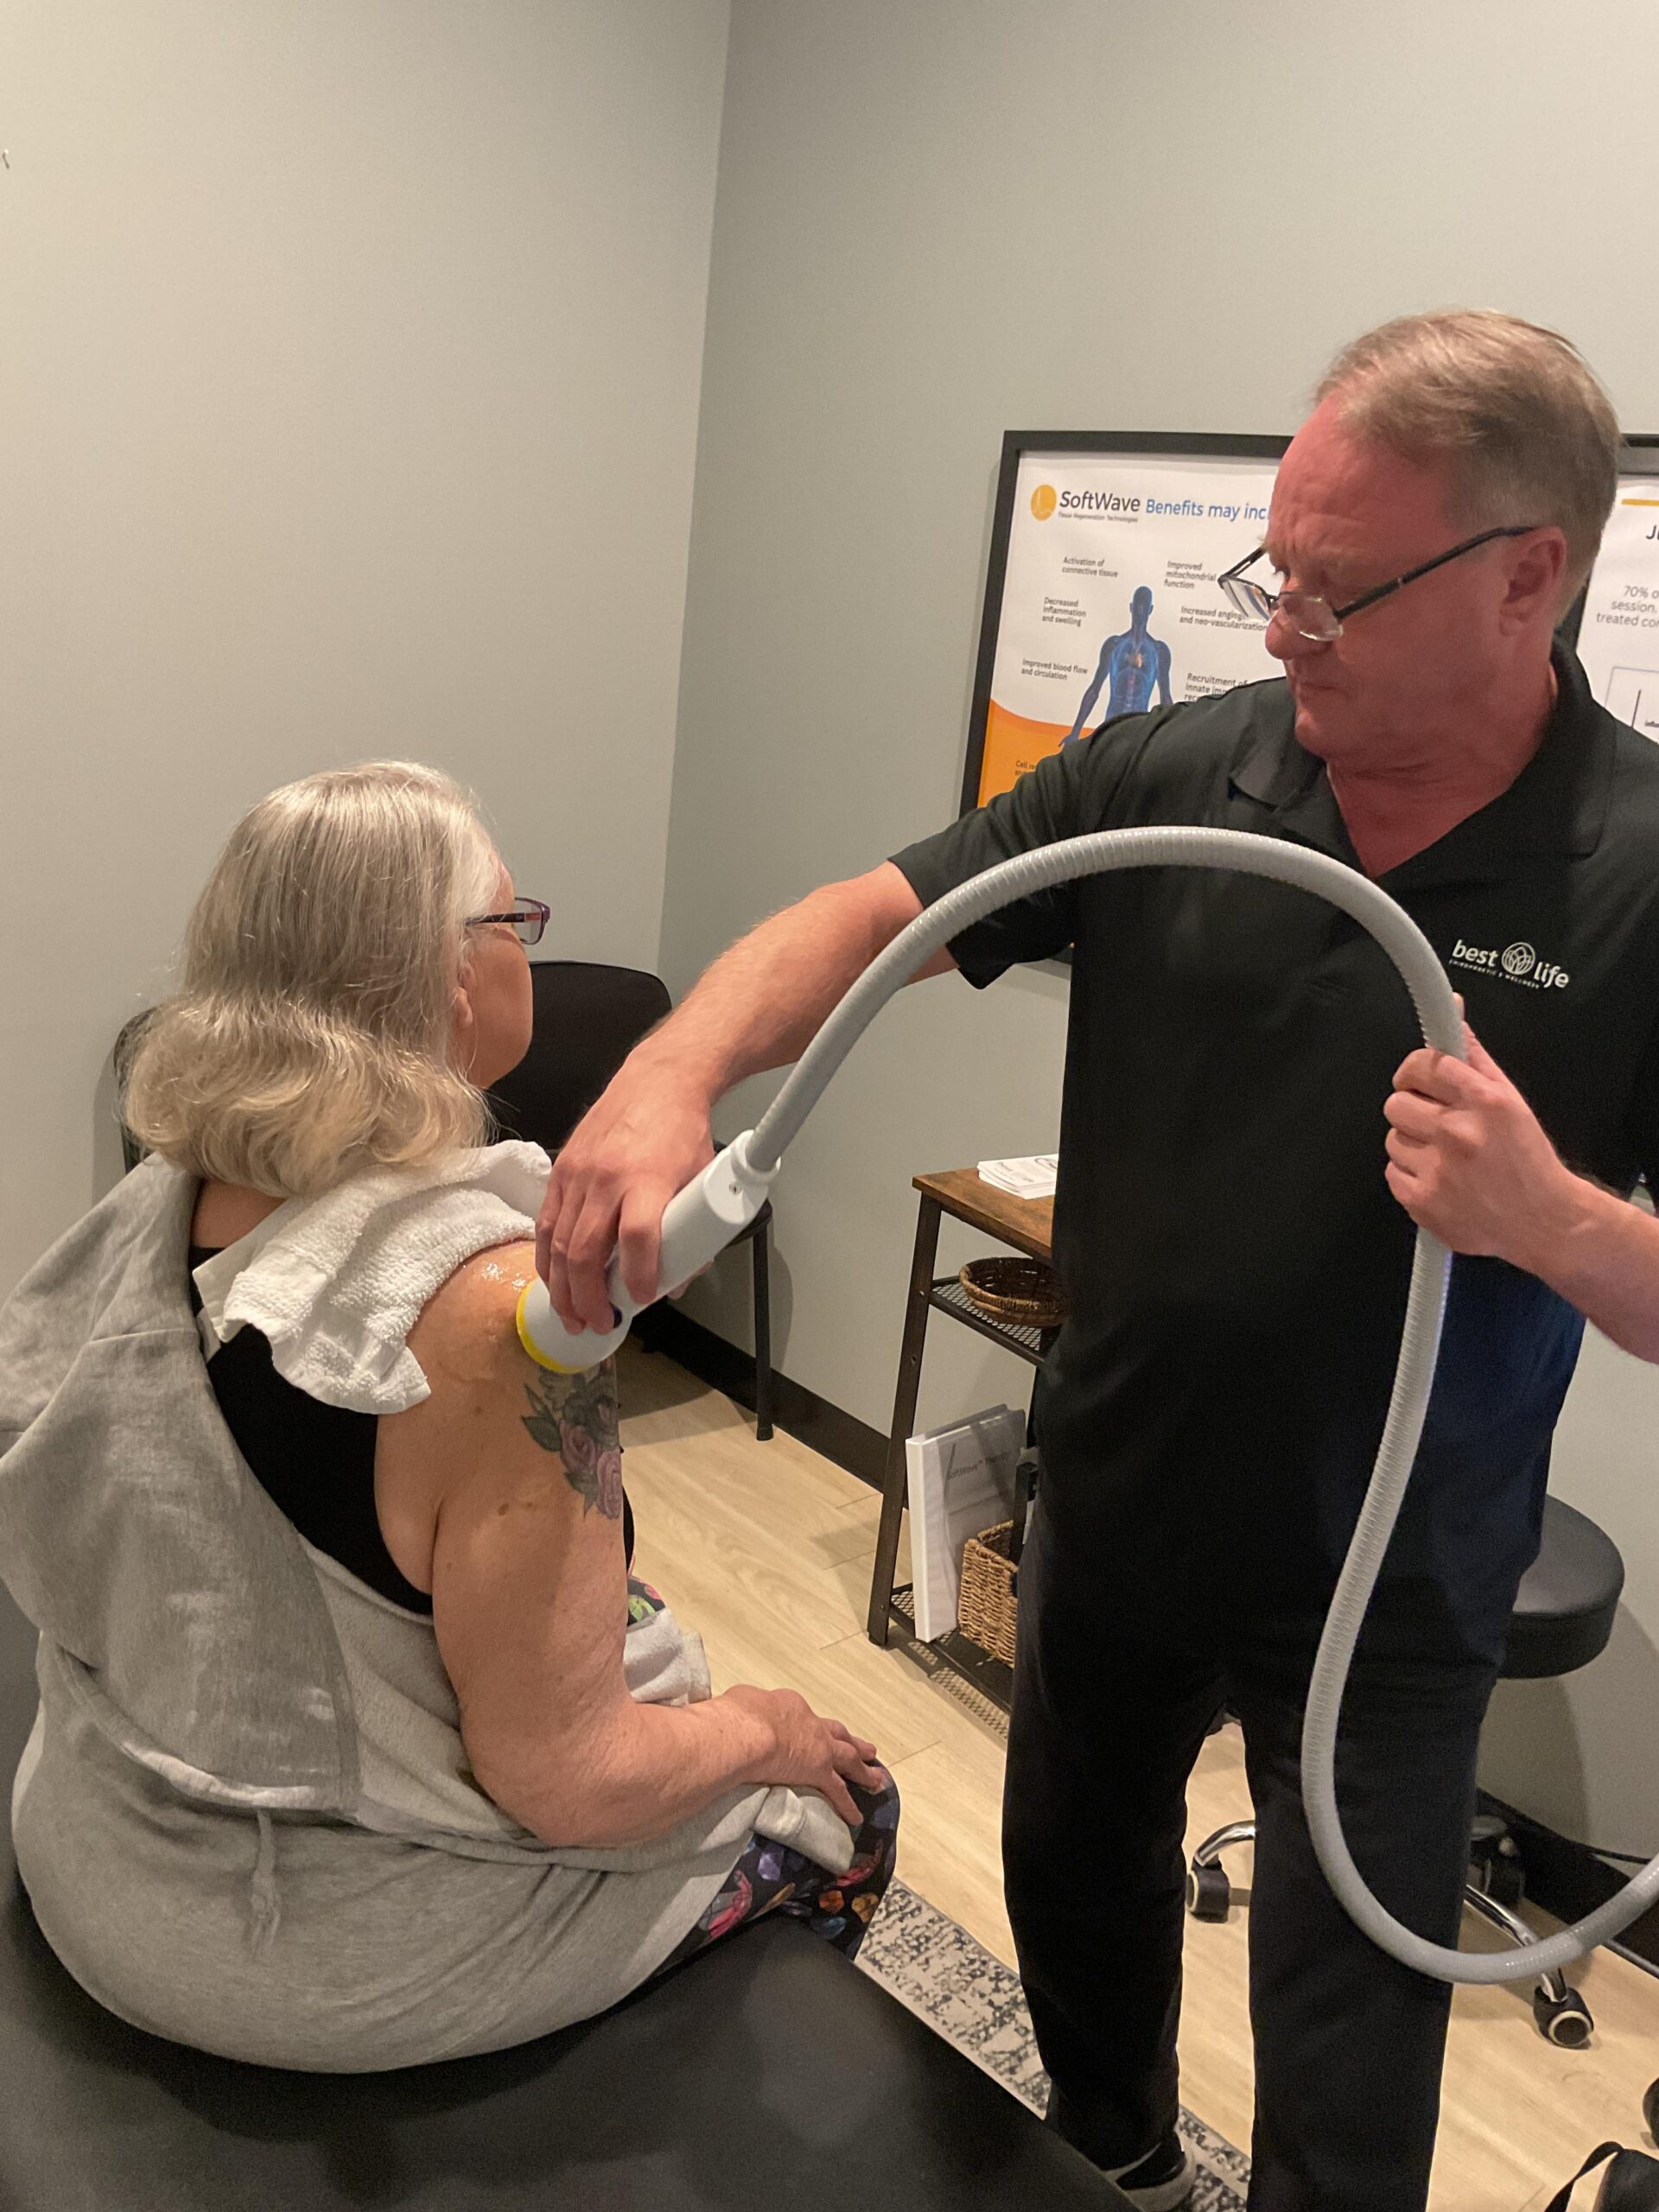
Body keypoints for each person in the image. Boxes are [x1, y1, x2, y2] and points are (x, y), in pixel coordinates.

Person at [535, 311, 1659, 2211]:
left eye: (1339, 590)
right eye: (1273, 574)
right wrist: (666, 1075)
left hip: (1388, 1578)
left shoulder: (1633, 866)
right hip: (1121, 1496)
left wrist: (1553, 1218)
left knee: (1350, 2027)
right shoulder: (1181, 770)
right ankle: (1124, 2164)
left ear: (1525, 576)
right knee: (1076, 1878)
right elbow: (878, 915)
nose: (1285, 628)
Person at [0, 762, 896, 2071]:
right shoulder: (489, 1319)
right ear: (451, 979)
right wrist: (765, 1725)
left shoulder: (164, 1195)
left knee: (620, 1613)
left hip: (96, 1841)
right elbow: (569, 1779)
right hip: (293, 1953)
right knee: (849, 1808)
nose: (531, 941)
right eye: (514, 919)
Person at [1063, 584, 1173, 740]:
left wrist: (1170, 740)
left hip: (1138, 729)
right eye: (1137, 606)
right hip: (1111, 725)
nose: (1140, 611)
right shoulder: (1114, 645)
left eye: (1144, 607)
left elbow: (1165, 699)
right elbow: (1094, 690)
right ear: (1131, 607)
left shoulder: (1159, 651)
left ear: (1150, 610)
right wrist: (1075, 732)